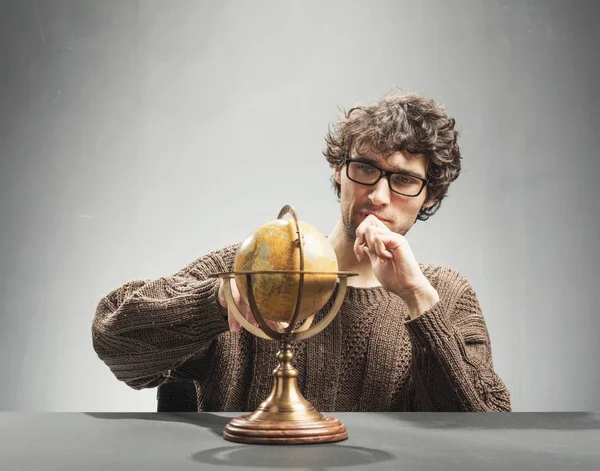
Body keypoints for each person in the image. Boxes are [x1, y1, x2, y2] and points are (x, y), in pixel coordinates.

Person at [92, 90, 511, 412]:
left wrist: (418, 300)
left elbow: (485, 424)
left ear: (430, 195)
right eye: (365, 168)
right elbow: (112, 338)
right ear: (338, 170)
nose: (379, 196)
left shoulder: (444, 295)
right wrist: (215, 303)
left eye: (403, 180)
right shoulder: (251, 268)